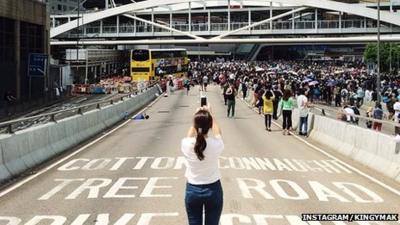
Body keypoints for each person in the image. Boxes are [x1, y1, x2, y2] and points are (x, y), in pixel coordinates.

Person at [181, 106, 224, 225]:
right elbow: (218, 132)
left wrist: (196, 118)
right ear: (210, 125)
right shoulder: (216, 144)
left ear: (195, 126)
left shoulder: (186, 144)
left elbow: (189, 136)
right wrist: (210, 115)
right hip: (213, 189)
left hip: (193, 190)